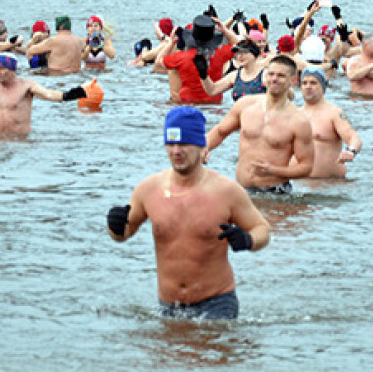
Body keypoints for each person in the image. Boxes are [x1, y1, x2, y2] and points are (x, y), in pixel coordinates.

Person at [106, 106, 271, 319]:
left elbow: (262, 230)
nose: (176, 151)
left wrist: (247, 240)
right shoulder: (148, 189)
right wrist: (115, 226)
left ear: (201, 146)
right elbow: (123, 235)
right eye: (171, 144)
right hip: (168, 305)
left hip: (217, 303)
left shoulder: (226, 191)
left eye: (183, 144)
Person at [205, 54, 314, 193]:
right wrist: (203, 148)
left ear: (292, 80)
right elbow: (220, 132)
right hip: (242, 190)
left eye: (281, 76)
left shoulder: (299, 121)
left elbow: (306, 166)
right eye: (271, 74)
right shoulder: (245, 105)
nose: (274, 79)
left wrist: (274, 171)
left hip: (275, 193)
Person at [0, 52, 91, 136]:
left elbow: (48, 94)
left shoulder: (27, 86)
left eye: (2, 69)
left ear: (12, 70)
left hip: (20, 142)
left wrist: (69, 95)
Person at [296, 67, 361, 179]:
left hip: (328, 185)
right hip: (298, 186)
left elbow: (353, 137)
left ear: (323, 86)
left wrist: (351, 151)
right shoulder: (294, 114)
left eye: (313, 83)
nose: (308, 86)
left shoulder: (334, 113)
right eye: (304, 83)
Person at [343, 31, 373, 97]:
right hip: (359, 100)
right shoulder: (355, 60)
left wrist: (362, 72)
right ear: (366, 45)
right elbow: (352, 76)